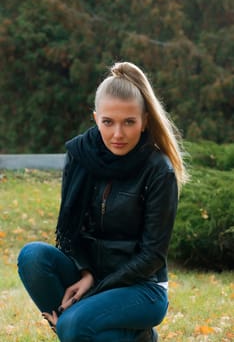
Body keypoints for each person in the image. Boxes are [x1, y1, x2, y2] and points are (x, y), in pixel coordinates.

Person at [18, 61, 188, 342]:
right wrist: (85, 272)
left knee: (73, 324)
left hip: (142, 287)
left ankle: (77, 324)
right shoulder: (79, 155)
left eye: (129, 122)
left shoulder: (159, 170)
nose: (117, 134)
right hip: (92, 274)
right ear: (96, 118)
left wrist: (95, 290)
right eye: (108, 122)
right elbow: (73, 229)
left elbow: (152, 256)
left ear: (145, 120)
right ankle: (129, 336)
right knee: (33, 257)